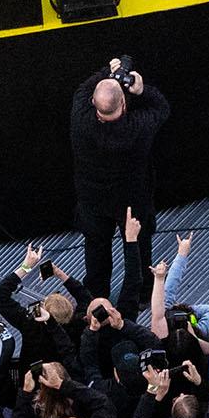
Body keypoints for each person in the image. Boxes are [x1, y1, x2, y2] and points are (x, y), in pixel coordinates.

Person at [69, 57, 165, 308]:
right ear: (123, 102)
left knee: (96, 247)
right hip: (132, 200)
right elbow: (161, 108)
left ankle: (96, 294)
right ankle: (143, 294)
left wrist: (107, 71)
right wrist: (141, 89)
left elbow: (83, 89)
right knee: (138, 244)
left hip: (93, 199)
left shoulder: (80, 118)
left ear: (93, 103)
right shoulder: (138, 127)